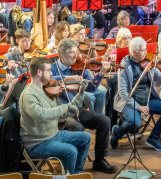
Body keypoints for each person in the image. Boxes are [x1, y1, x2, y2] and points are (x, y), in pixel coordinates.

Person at [49, 40, 117, 173]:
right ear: (61, 54)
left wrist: (101, 72)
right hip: (60, 112)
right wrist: (65, 79)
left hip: (77, 109)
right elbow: (46, 81)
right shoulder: (52, 68)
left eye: (76, 52)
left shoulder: (80, 66)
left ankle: (100, 160)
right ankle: (73, 163)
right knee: (76, 127)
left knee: (104, 121)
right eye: (71, 52)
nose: (75, 56)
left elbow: (91, 87)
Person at [20, 57, 95, 175]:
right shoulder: (29, 94)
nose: (51, 73)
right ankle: (70, 176)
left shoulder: (47, 90)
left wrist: (80, 93)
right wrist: (65, 107)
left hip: (53, 134)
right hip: (37, 143)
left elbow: (65, 112)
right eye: (49, 70)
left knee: (86, 138)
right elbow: (40, 115)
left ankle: (76, 174)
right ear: (39, 72)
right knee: (70, 151)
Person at [112, 37, 161, 153]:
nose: (146, 53)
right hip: (130, 101)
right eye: (143, 51)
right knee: (135, 122)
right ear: (134, 52)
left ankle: (153, 137)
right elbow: (123, 92)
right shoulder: (125, 66)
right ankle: (116, 132)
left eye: (146, 50)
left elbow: (160, 80)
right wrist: (138, 106)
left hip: (147, 99)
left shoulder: (148, 62)